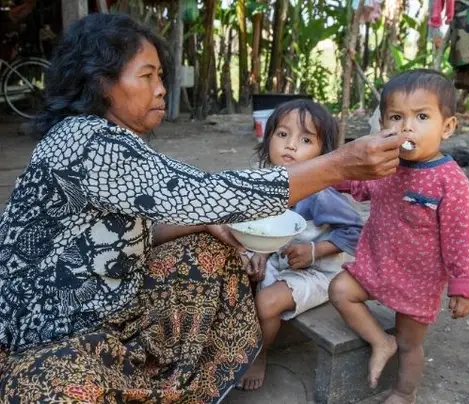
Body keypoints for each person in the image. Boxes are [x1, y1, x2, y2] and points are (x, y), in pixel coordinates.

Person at [0, 13, 406, 403]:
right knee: (55, 389)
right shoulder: (86, 141)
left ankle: (171, 378)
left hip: (103, 304)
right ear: (100, 82)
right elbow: (203, 191)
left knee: (211, 250)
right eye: (146, 76)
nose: (160, 88)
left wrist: (204, 224)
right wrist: (338, 165)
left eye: (160, 76)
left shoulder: (112, 141)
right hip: (42, 331)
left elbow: (132, 228)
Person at [328, 69, 469, 404]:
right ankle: (382, 342)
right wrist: (331, 173)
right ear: (383, 124)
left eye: (422, 116)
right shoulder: (385, 165)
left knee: (411, 343)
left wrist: (465, 284)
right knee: (339, 290)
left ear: (448, 126)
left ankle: (403, 392)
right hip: (376, 266)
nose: (407, 127)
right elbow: (360, 186)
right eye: (397, 117)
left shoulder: (450, 182)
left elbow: (462, 238)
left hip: (417, 281)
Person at [237, 100, 364, 391]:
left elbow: (358, 231)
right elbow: (270, 228)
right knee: (237, 274)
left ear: (323, 153)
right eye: (282, 134)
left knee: (265, 303)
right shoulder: (269, 183)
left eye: (305, 139)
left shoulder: (320, 194)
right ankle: (241, 338)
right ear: (267, 138)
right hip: (282, 262)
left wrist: (315, 251)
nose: (290, 146)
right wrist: (260, 253)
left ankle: (260, 354)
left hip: (320, 274)